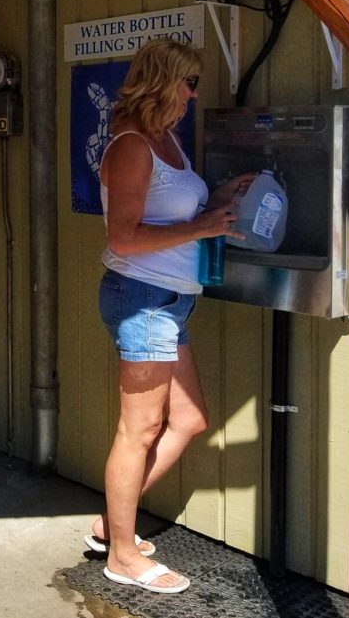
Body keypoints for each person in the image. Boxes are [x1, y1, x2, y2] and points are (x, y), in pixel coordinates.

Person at [92, 39, 254, 594]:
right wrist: (202, 227)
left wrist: (220, 203)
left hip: (171, 301)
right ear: (165, 80)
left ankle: (111, 526)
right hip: (142, 298)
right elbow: (124, 236)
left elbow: (176, 214)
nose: (194, 94)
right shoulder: (134, 145)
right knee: (138, 431)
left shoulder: (169, 143)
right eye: (189, 82)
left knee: (188, 421)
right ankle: (121, 556)